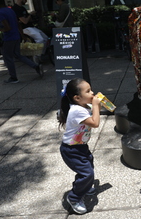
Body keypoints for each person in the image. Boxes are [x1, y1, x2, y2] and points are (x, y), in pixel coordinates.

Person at [58, 78, 101, 215]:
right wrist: (95, 106)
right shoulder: (77, 111)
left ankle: (85, 186)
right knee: (87, 173)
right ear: (77, 98)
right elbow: (95, 123)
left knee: (88, 166)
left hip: (80, 146)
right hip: (71, 150)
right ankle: (74, 197)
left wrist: (96, 105)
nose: (92, 93)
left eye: (91, 89)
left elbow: (93, 115)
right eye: (88, 91)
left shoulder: (82, 106)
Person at [0, 0, 43, 83]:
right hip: (16, 36)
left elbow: (7, 28)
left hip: (8, 38)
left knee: (8, 57)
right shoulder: (10, 10)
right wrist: (22, 35)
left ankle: (13, 77)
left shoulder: (0, 13)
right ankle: (35, 66)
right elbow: (18, 24)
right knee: (18, 55)